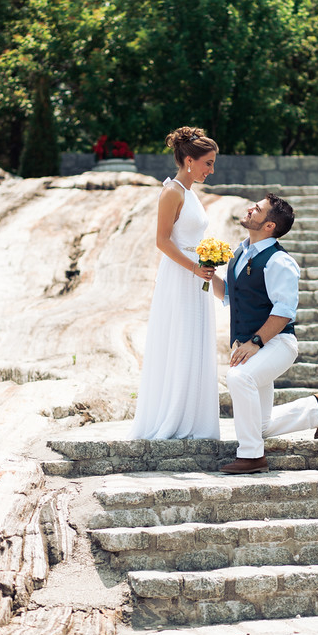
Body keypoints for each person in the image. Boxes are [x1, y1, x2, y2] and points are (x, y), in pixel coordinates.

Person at [212, 193, 318, 474]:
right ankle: (315, 410)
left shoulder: (279, 261)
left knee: (239, 376)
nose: (249, 209)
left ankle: (252, 456)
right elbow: (231, 295)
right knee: (260, 425)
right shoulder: (240, 253)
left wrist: (256, 342)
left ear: (269, 226)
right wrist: (206, 275)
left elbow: (284, 310)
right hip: (253, 345)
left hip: (277, 343)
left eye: (257, 209)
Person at [127, 127, 220, 441]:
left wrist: (208, 265)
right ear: (189, 161)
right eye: (207, 163)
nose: (211, 169)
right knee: (180, 339)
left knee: (196, 340)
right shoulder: (172, 192)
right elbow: (162, 241)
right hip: (180, 277)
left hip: (197, 275)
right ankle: (172, 418)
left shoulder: (191, 193)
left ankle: (194, 420)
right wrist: (195, 268)